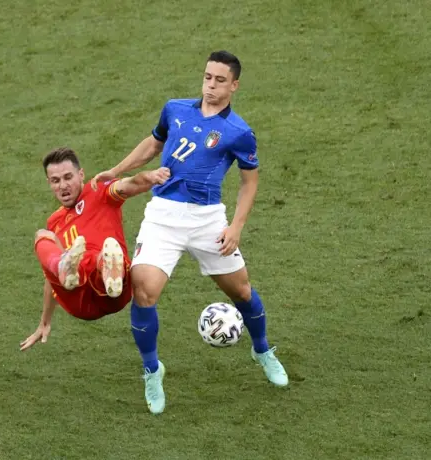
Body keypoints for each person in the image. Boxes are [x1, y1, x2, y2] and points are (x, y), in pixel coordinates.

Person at [92, 50, 289, 414]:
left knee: (242, 291)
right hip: (163, 217)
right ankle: (152, 370)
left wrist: (236, 227)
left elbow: (249, 183)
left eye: (218, 80)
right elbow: (153, 144)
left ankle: (262, 349)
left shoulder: (239, 133)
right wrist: (116, 170)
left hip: (208, 221)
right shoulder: (175, 108)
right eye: (206, 77)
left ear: (234, 85)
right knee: (144, 293)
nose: (210, 85)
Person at [20, 147, 170, 351]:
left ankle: (106, 270)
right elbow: (50, 277)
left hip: (112, 293)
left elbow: (130, 184)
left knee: (96, 257)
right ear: (49, 183)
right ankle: (74, 266)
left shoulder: (98, 190)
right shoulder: (54, 222)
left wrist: (151, 177)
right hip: (78, 299)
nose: (63, 186)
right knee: (43, 236)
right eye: (55, 181)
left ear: (81, 175)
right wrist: (45, 321)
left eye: (68, 177)